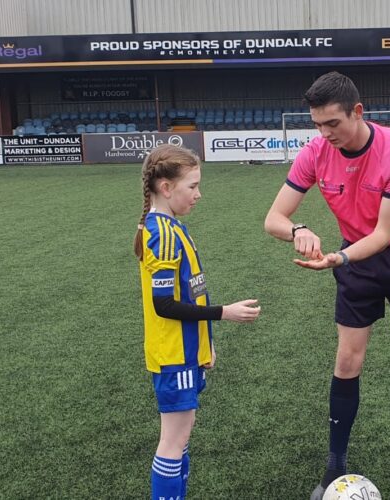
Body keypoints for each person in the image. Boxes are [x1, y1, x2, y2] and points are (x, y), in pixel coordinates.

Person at [264, 71, 390, 499]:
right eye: (317, 125)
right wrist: (298, 229)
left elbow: (381, 235)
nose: (324, 134)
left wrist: (338, 258)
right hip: (353, 262)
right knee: (346, 362)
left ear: (357, 112)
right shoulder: (315, 151)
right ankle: (334, 464)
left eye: (332, 124)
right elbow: (274, 218)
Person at [133, 144, 261, 500]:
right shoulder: (160, 234)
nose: (198, 194)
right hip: (174, 355)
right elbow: (164, 305)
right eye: (192, 186)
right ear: (166, 187)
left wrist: (207, 344)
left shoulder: (173, 228)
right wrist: (225, 313)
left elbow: (190, 293)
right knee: (173, 442)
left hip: (188, 352)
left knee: (182, 437)